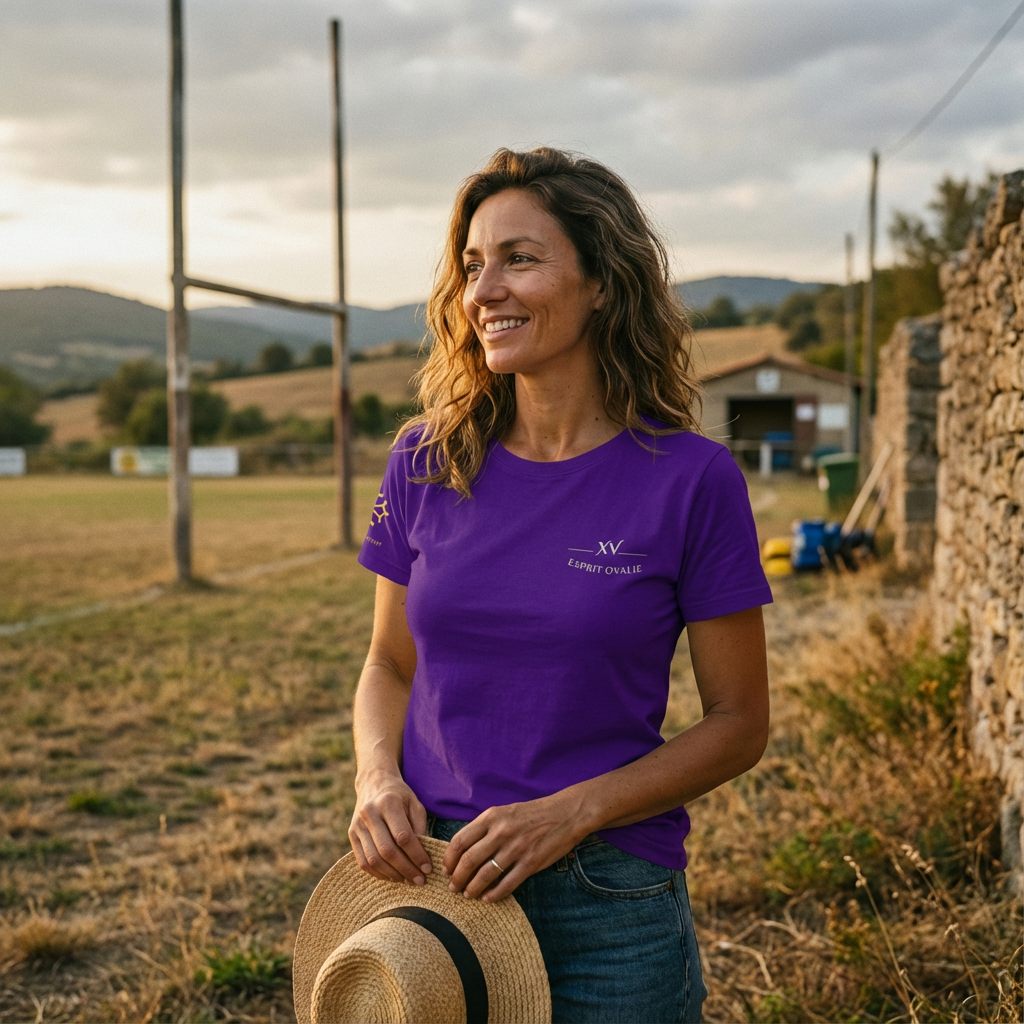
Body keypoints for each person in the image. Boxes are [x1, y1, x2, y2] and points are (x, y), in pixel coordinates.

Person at [349, 147, 772, 1024]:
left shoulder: (691, 479)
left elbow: (739, 725)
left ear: (603, 283)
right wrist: (375, 782)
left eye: (520, 258)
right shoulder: (424, 461)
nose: (484, 290)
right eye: (472, 266)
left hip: (608, 898)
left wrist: (570, 814)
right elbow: (390, 662)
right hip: (434, 886)